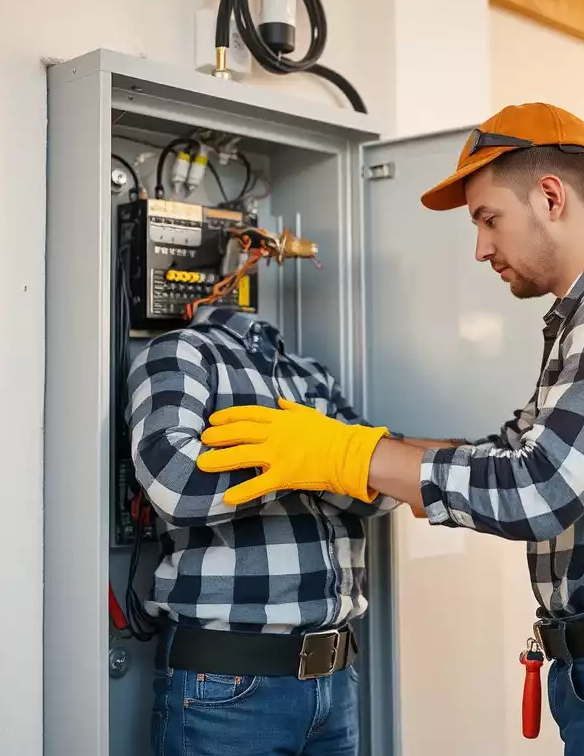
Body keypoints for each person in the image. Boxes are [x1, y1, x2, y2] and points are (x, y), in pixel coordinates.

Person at [194, 103, 584, 755]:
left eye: (489, 219)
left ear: (550, 197)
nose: (481, 248)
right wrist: (346, 447)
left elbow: (539, 489)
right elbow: (511, 452)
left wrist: (348, 455)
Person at [126, 305, 402, 756]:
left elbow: (386, 484)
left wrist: (299, 461)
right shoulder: (183, 351)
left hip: (336, 683)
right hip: (226, 684)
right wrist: (319, 462)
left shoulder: (312, 376)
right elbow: (174, 482)